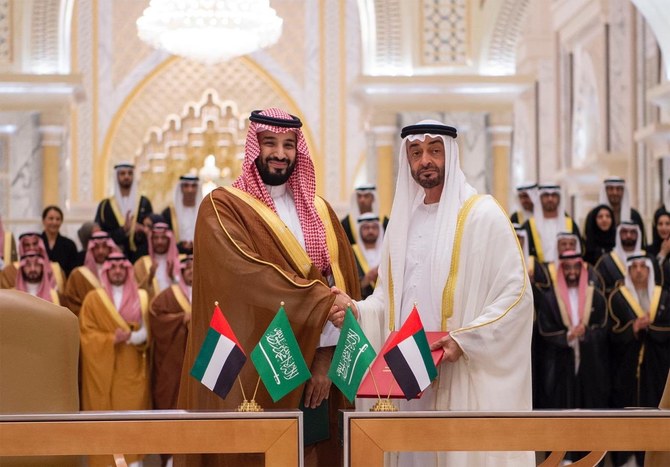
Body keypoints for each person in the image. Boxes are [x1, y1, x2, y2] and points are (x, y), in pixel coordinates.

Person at [332, 120, 534, 466]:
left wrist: (465, 340)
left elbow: (516, 297)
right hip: (406, 380)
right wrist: (358, 311)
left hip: (458, 378)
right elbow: (387, 302)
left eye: (434, 150)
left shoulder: (482, 216)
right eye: (416, 152)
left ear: (450, 154)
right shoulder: (401, 224)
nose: (425, 160)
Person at [176, 108, 360, 467]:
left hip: (319, 365)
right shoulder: (223, 207)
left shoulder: (321, 211)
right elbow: (247, 276)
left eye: (289, 145)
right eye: (270, 142)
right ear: (253, 146)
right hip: (257, 367)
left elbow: (340, 284)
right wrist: (320, 302)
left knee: (314, 452)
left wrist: (324, 361)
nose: (280, 153)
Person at [79, 251, 149, 466]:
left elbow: (149, 331)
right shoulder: (93, 299)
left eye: (121, 267)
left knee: (131, 419)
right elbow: (85, 334)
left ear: (127, 270)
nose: (117, 271)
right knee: (104, 419)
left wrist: (133, 337)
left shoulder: (141, 297)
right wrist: (111, 339)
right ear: (106, 271)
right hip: (101, 370)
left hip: (131, 369)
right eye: (113, 268)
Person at [609, 253, 670, 467]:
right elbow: (611, 334)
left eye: (642, 266)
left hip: (657, 369)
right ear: (628, 271)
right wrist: (633, 328)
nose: (638, 271)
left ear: (649, 270)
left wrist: (650, 327)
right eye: (633, 267)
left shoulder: (664, 296)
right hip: (627, 369)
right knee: (628, 412)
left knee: (656, 409)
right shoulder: (617, 297)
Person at [537, 251, 609, 411]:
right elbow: (545, 329)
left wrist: (585, 333)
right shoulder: (550, 298)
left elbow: (603, 327)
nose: (572, 272)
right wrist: (568, 337)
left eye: (576, 267)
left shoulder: (595, 296)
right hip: (561, 363)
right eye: (567, 268)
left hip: (589, 361)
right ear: (561, 270)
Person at [149, 255, 193, 467]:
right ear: (181, 272)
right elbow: (156, 317)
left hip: (201, 362)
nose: (192, 271)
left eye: (195, 267)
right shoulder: (167, 296)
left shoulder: (210, 292)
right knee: (171, 405)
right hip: (173, 365)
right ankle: (170, 458)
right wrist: (181, 319)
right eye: (188, 268)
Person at [94, 162, 153, 262]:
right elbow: (99, 234)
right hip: (113, 259)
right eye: (122, 173)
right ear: (116, 176)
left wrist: (143, 230)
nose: (126, 176)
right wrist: (123, 230)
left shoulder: (144, 202)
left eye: (130, 173)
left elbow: (153, 231)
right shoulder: (105, 205)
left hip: (140, 257)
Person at [523, 183, 582, 263]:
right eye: (546, 195)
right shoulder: (529, 225)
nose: (550, 199)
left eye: (554, 195)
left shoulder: (570, 224)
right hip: (538, 269)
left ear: (559, 198)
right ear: (540, 198)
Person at [64, 231, 118, 315]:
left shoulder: (120, 274)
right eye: (96, 247)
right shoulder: (78, 275)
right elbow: (71, 303)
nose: (100, 251)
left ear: (110, 248)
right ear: (91, 249)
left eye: (104, 247)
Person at [585, 177, 647, 247]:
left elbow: (641, 244)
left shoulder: (634, 215)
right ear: (605, 191)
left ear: (623, 191)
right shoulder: (593, 216)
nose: (615, 193)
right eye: (611, 189)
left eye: (618, 189)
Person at [0, 232, 65, 292]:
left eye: (35, 244)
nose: (31, 248)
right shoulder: (9, 271)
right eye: (27, 245)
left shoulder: (56, 269)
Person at [134, 222, 180, 299]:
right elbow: (135, 292)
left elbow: (189, 290)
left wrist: (172, 277)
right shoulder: (141, 264)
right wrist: (150, 277)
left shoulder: (182, 261)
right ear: (151, 240)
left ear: (169, 240)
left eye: (163, 238)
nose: (159, 242)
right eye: (156, 238)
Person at [595, 222, 643, 294]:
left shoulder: (648, 259)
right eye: (624, 232)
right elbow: (598, 288)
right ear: (618, 234)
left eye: (632, 232)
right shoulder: (606, 261)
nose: (628, 235)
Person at [162, 174, 200, 254]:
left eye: (193, 186)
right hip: (175, 255)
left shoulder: (205, 211)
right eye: (186, 186)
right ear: (181, 188)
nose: (190, 190)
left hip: (199, 254)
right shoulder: (169, 212)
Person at [351, 212, 383, 298]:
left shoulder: (387, 251)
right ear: (359, 230)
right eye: (366, 228)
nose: (370, 231)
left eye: (374, 227)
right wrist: (366, 279)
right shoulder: (351, 252)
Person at [41, 205, 79, 277]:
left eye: (58, 219)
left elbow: (73, 272)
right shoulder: (35, 243)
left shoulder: (69, 245)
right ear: (43, 221)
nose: (54, 222)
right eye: (51, 218)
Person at [649, 210, 670, 290]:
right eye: (660, 224)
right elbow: (651, 274)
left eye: (667, 224)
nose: (664, 228)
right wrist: (662, 254)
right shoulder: (648, 250)